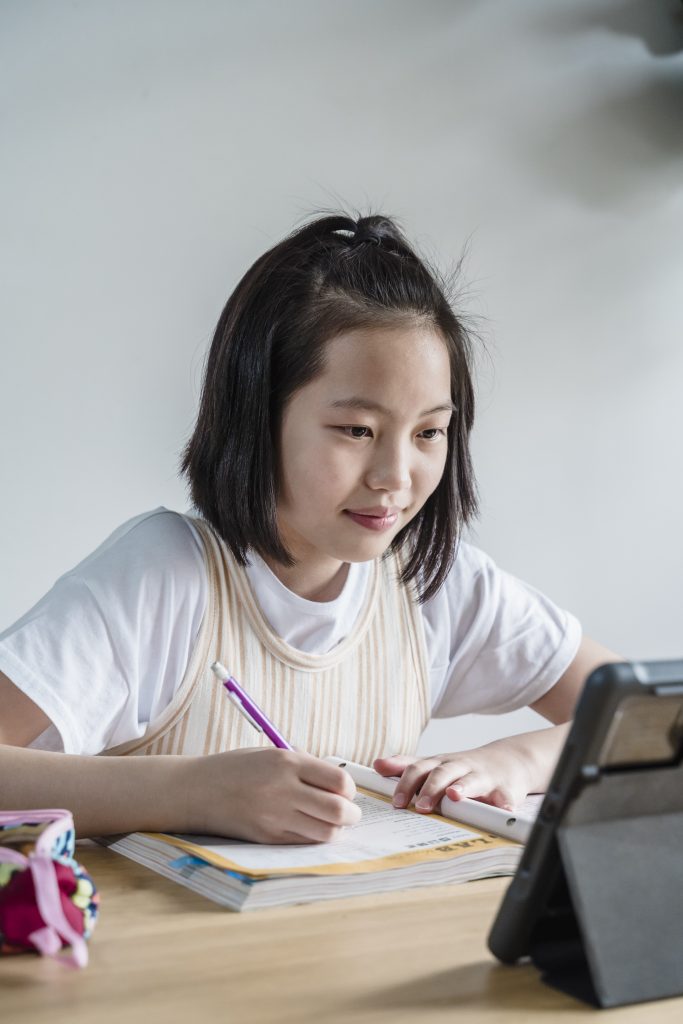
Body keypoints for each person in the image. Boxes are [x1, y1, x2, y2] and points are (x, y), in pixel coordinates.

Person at [0, 213, 618, 844]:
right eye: (357, 431)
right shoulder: (165, 575)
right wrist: (193, 793)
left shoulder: (431, 582)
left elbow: (652, 716)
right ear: (257, 417)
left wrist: (517, 761)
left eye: (429, 431)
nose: (394, 476)